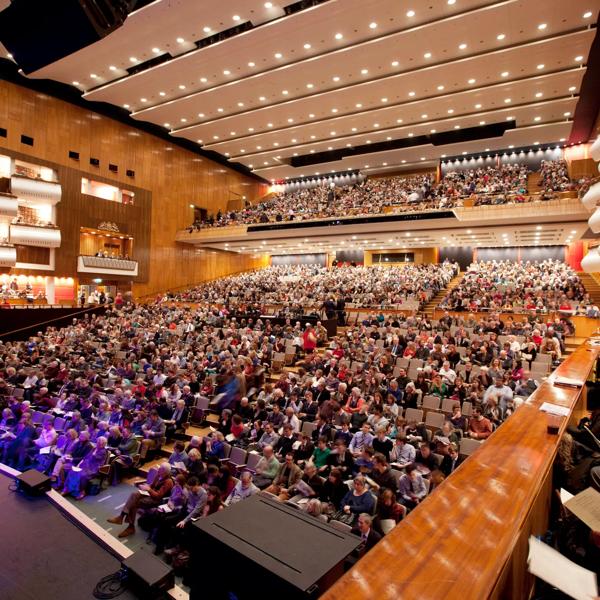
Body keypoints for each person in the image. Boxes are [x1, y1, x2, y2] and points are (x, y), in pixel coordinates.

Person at [108, 462, 174, 538]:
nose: (158, 470)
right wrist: (146, 486)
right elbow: (152, 485)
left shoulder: (168, 482)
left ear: (166, 472)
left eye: (161, 469)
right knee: (134, 494)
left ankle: (130, 526)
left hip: (157, 501)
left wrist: (149, 489)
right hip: (151, 494)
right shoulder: (158, 475)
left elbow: (158, 496)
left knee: (134, 504)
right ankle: (121, 517)